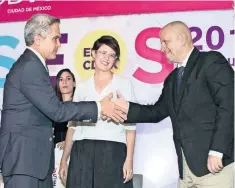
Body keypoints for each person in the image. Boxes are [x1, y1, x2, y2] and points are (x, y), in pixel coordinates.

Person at [0, 14, 126, 188]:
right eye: (55, 38)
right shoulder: (30, 66)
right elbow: (57, 111)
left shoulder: (34, 64)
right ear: (37, 39)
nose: (59, 44)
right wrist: (99, 107)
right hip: (24, 162)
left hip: (34, 163)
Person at [116, 21, 234, 188]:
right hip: (186, 172)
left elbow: (229, 105)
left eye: (166, 41)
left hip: (214, 166)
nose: (162, 48)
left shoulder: (210, 61)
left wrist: (217, 150)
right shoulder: (172, 79)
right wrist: (128, 108)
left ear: (182, 39)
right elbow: (157, 112)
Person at [59, 35, 136, 188]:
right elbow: (72, 127)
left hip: (113, 151)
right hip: (82, 152)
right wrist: (64, 160)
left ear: (116, 60)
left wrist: (129, 160)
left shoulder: (124, 84)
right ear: (93, 54)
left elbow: (131, 127)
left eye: (112, 55)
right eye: (103, 53)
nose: (107, 58)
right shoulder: (82, 87)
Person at [53, 68, 76, 149]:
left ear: (74, 83)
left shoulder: (79, 106)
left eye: (68, 78)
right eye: (61, 79)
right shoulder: (52, 107)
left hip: (74, 150)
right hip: (54, 150)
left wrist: (69, 142)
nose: (64, 82)